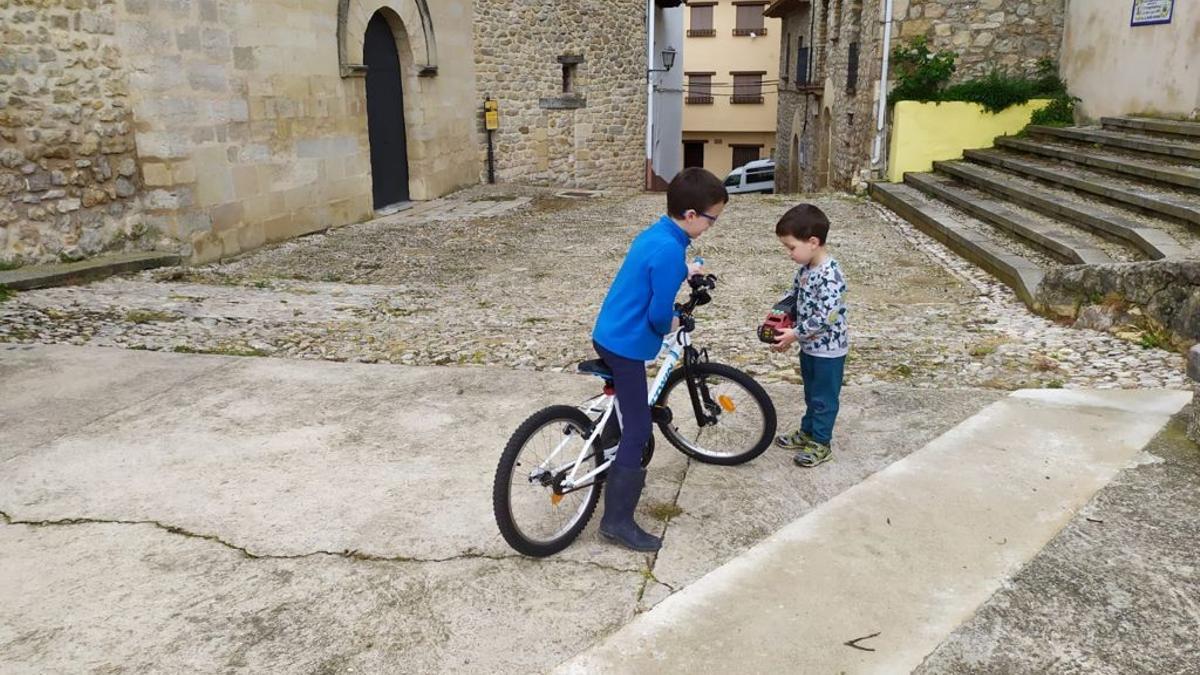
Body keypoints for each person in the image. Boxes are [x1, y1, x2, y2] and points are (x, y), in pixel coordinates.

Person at [591, 168, 728, 551]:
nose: (711, 225)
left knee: (625, 409)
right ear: (690, 216)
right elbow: (656, 318)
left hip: (607, 333)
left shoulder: (656, 235)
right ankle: (616, 522)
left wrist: (684, 271)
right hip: (627, 346)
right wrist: (678, 319)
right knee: (639, 428)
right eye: (711, 219)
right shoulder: (671, 251)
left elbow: (653, 271)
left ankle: (608, 450)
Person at [769, 204, 849, 468]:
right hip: (809, 346)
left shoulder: (830, 275)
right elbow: (794, 297)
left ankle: (821, 443)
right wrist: (780, 317)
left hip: (829, 351)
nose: (789, 254)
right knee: (811, 392)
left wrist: (794, 334)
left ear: (813, 242)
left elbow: (828, 316)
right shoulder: (804, 270)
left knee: (825, 397)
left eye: (791, 247)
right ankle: (808, 431)